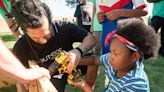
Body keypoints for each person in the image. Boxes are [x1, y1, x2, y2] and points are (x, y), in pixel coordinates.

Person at [11, 0, 96, 92]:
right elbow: (20, 79)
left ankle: (89, 88)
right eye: (35, 38)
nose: (43, 41)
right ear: (25, 32)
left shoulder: (63, 27)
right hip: (50, 75)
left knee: (93, 60)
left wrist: (78, 51)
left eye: (47, 34)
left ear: (50, 21)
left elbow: (91, 39)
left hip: (71, 64)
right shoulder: (21, 47)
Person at [71, 19, 160, 92]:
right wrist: (72, 60)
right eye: (111, 51)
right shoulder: (116, 61)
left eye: (116, 53)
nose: (110, 57)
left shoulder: (136, 84)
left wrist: (83, 85)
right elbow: (94, 60)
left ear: (134, 56)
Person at [0, 14, 50, 84]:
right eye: (35, 37)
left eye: (46, 35)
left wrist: (23, 73)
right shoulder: (20, 46)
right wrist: (23, 74)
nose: (43, 41)